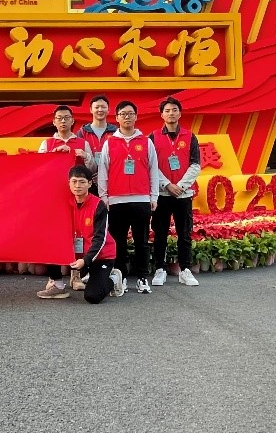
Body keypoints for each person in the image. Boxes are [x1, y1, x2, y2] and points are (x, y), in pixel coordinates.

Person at [97, 100, 159, 295]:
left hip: (141, 199)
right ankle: (121, 277)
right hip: (116, 200)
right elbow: (103, 171)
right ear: (116, 118)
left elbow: (153, 170)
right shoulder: (110, 143)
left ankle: (142, 277)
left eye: (130, 113)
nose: (127, 117)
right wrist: (103, 196)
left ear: (136, 117)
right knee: (119, 242)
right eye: (123, 114)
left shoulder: (146, 142)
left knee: (142, 242)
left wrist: (154, 196)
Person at [39, 165, 119, 303]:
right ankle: (58, 285)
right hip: (76, 254)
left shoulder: (98, 205)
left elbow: (100, 238)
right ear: (69, 183)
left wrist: (86, 260)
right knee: (48, 242)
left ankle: (114, 278)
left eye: (82, 182)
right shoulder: (64, 203)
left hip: (100, 256)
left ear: (89, 183)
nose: (77, 186)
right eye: (74, 181)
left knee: (92, 297)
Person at [37, 105, 91, 296]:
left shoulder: (82, 143)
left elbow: (93, 168)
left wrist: (84, 156)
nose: (63, 121)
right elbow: (38, 170)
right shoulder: (46, 144)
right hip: (54, 198)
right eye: (59, 118)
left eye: (66, 117)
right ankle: (55, 278)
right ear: (53, 122)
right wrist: (54, 155)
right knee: (53, 235)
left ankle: (76, 275)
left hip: (78, 197)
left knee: (78, 235)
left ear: (72, 120)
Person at [149, 96, 202, 287]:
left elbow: (196, 164)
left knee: (184, 233)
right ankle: (160, 269)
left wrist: (180, 185)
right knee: (160, 233)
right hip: (162, 195)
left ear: (180, 113)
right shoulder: (153, 137)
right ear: (161, 115)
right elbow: (151, 165)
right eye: (167, 110)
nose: (171, 113)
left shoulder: (190, 136)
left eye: (174, 110)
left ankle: (185, 269)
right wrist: (167, 185)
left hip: (183, 194)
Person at [78, 95, 118, 195]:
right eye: (97, 107)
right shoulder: (82, 132)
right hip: (88, 183)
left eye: (103, 107)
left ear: (108, 110)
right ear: (91, 110)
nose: (100, 110)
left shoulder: (116, 132)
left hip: (111, 180)